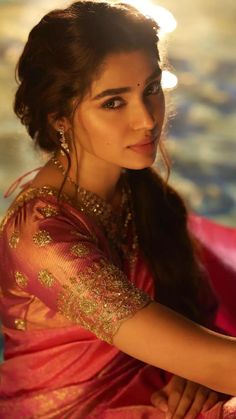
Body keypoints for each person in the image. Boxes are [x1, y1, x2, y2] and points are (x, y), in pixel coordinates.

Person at [0, 1, 236, 418]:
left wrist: (195, 373)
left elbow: (203, 339)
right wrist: (205, 366)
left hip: (163, 387)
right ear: (60, 118)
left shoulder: (143, 194)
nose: (146, 120)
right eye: (113, 103)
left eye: (150, 88)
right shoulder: (43, 239)